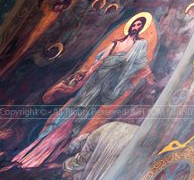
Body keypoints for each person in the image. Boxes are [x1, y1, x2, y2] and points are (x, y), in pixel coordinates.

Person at [12, 13, 154, 168]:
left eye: (139, 25)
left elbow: (142, 64)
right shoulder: (115, 43)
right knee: (73, 111)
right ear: (130, 26)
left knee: (83, 116)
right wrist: (85, 77)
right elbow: (99, 62)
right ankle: (39, 149)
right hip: (94, 81)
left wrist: (147, 77)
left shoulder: (140, 45)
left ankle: (52, 153)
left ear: (141, 28)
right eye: (134, 24)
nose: (135, 27)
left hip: (109, 85)